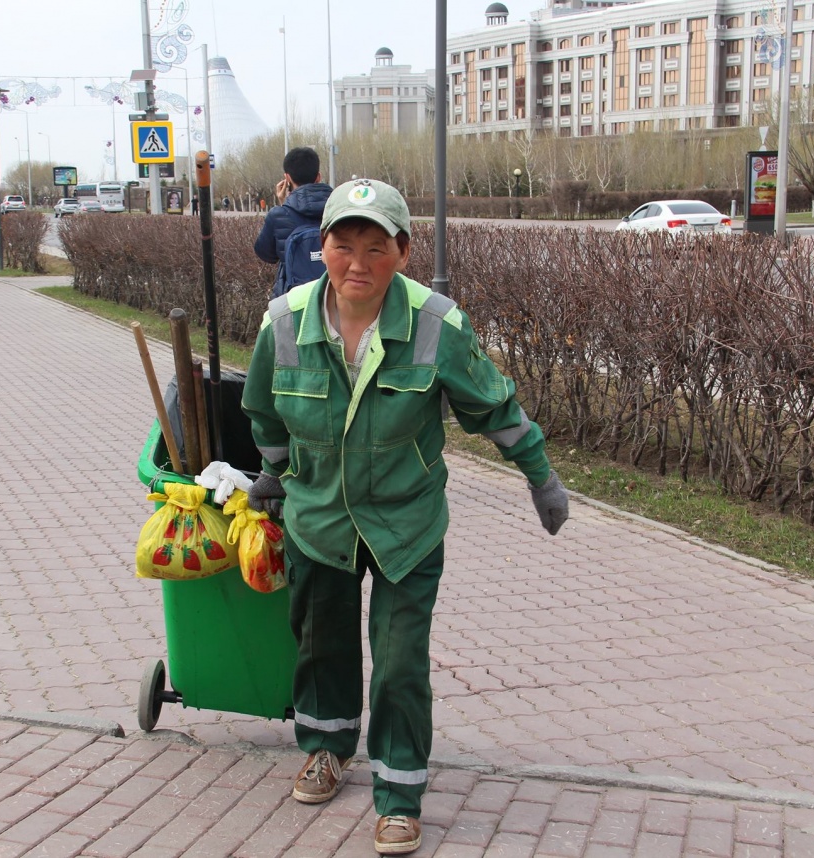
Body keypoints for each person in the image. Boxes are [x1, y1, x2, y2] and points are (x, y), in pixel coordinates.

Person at [241, 179, 569, 856]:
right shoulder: (285, 322)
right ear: (322, 248)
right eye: (344, 245)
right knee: (320, 644)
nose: (358, 263)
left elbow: (493, 407)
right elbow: (264, 410)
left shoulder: (436, 324)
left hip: (406, 525)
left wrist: (540, 475)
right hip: (319, 519)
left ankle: (399, 794)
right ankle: (327, 748)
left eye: (376, 247)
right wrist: (274, 472)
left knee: (399, 661)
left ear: (404, 252)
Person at [253, 146, 334, 298]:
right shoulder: (339, 209)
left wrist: (285, 205)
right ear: (318, 177)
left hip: (293, 299)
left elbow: (266, 255)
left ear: (287, 178)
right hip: (334, 297)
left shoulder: (278, 215)